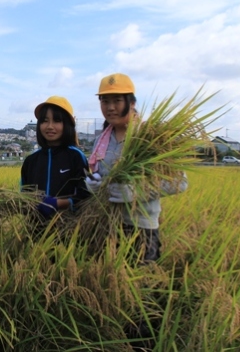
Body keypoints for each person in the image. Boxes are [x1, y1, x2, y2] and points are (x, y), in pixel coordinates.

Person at [85, 73, 187, 263]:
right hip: (105, 224)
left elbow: (180, 182)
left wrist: (136, 191)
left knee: (138, 286)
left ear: (132, 103)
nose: (110, 107)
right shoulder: (101, 140)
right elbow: (99, 175)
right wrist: (95, 185)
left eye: (117, 100)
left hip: (141, 228)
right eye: (104, 101)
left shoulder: (151, 136)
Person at [20, 96, 90, 228]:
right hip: (35, 231)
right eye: (45, 121)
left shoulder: (76, 156)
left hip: (70, 231)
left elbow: (85, 196)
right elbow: (24, 195)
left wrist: (58, 204)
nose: (50, 126)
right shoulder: (31, 161)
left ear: (67, 125)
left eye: (57, 121)